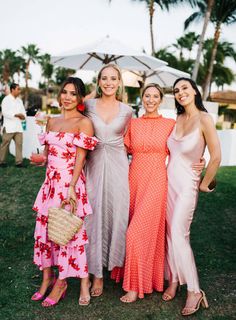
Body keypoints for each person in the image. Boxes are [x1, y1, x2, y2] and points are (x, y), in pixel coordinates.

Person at [31, 77, 98, 307]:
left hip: (69, 184)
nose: (67, 97)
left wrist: (70, 187)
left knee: (67, 234)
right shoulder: (52, 121)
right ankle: (46, 277)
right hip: (49, 184)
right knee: (45, 232)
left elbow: (81, 157)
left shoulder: (84, 123)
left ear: (80, 98)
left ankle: (62, 281)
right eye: (65, 92)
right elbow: (48, 154)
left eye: (73, 94)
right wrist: (40, 160)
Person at [163, 78, 221, 316]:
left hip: (188, 186)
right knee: (169, 234)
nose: (180, 93)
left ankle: (195, 291)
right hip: (168, 185)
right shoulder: (175, 120)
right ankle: (175, 279)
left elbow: (216, 155)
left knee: (179, 233)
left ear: (195, 91)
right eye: (176, 90)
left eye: (185, 88)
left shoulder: (205, 119)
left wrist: (205, 184)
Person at [116, 83, 175, 302]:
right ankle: (139, 277)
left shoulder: (171, 124)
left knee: (137, 233)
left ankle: (134, 286)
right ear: (142, 98)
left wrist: (198, 161)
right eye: (147, 96)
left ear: (161, 99)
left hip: (157, 180)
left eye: (155, 96)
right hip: (134, 179)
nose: (150, 100)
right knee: (135, 228)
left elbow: (182, 149)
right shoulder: (132, 124)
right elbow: (122, 150)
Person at [84, 64, 133, 297]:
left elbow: (135, 140)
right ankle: (96, 274)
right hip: (93, 164)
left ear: (119, 82)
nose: (109, 82)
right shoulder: (88, 105)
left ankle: (114, 265)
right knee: (93, 215)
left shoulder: (128, 110)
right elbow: (74, 125)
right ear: (99, 81)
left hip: (118, 167)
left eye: (113, 78)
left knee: (116, 213)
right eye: (104, 78)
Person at [0, 83, 26, 167]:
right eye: (18, 89)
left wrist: (23, 116)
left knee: (19, 144)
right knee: (5, 145)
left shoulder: (19, 101)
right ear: (12, 90)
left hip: (18, 127)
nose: (19, 91)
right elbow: (4, 112)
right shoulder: (6, 100)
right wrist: (16, 115)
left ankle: (19, 162)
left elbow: (23, 112)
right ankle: (1, 161)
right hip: (9, 127)